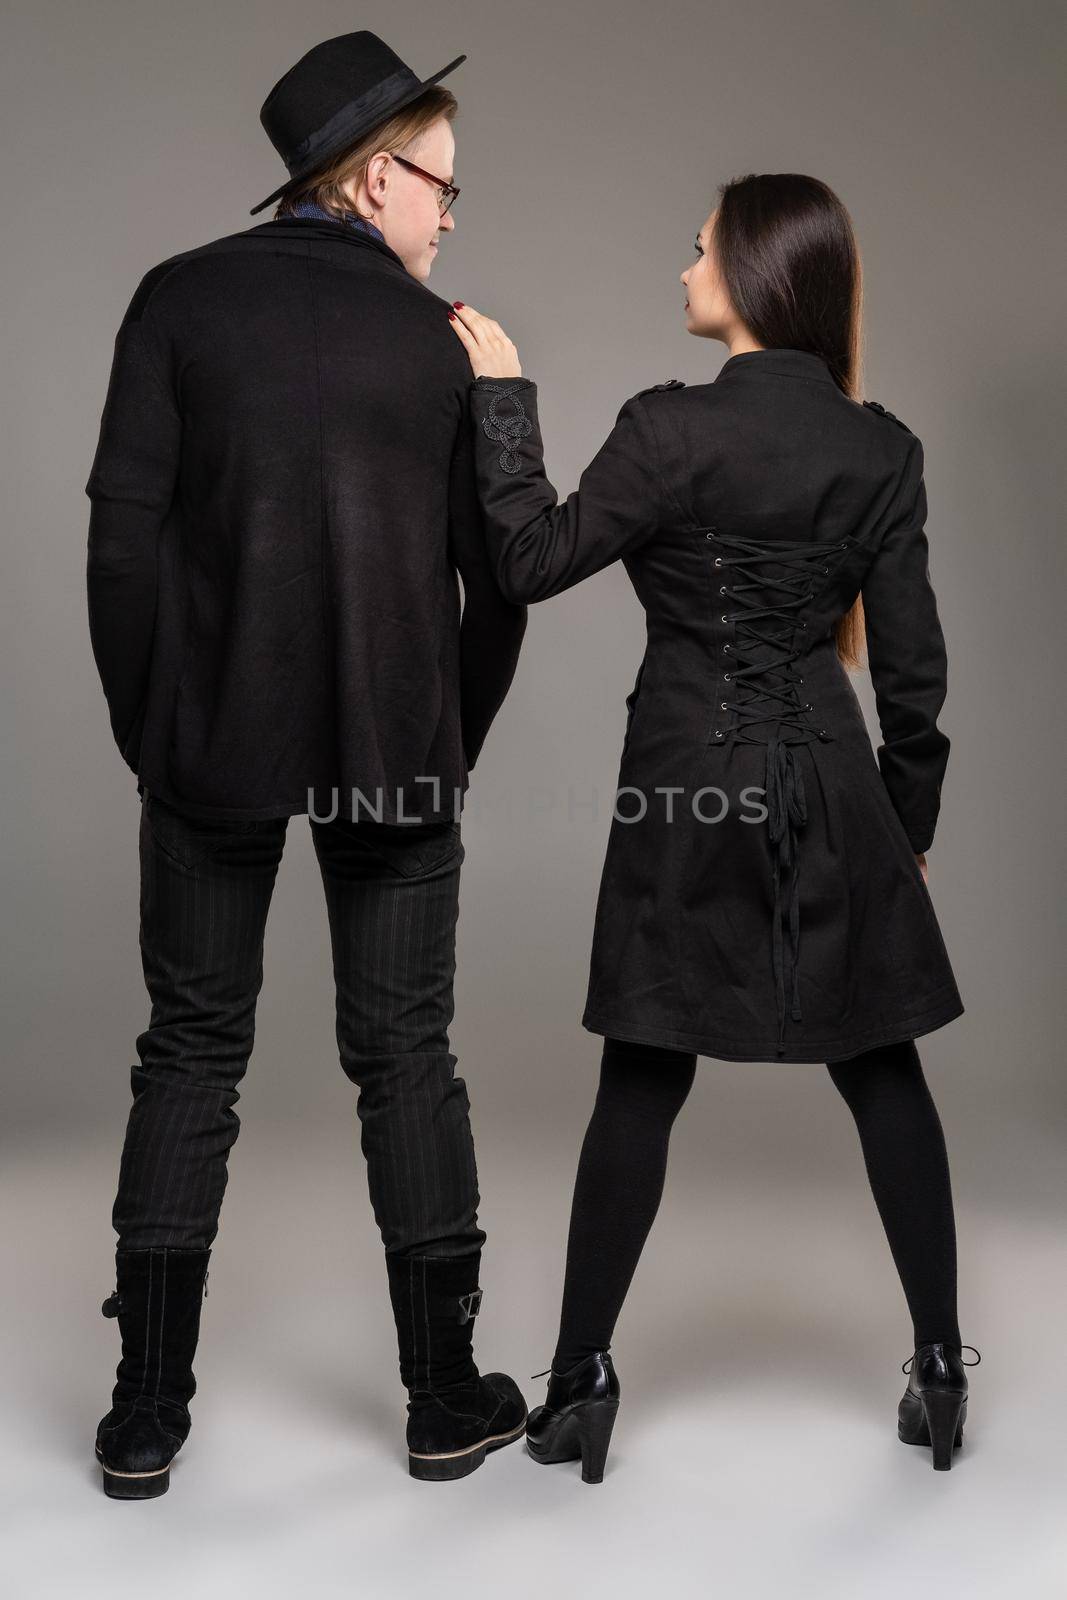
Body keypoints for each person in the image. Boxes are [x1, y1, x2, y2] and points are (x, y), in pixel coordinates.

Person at [448, 172, 981, 1482]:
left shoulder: (665, 430)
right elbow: (913, 675)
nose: (683, 265)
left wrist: (501, 399)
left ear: (752, 276)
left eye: (699, 249)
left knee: (644, 1067)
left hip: (687, 782)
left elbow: (526, 560)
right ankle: (944, 1368)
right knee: (884, 1068)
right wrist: (907, 825)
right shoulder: (883, 449)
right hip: (833, 787)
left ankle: (576, 1383)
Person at [85, 31, 529, 1498]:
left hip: (209, 743)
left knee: (190, 1049)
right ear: (378, 173)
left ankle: (147, 1415)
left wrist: (153, 728)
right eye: (446, 187)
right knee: (406, 1053)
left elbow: (122, 545)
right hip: (395, 748)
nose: (453, 217)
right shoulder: (447, 341)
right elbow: (502, 582)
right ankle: (444, 1398)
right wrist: (445, 738)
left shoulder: (176, 303)